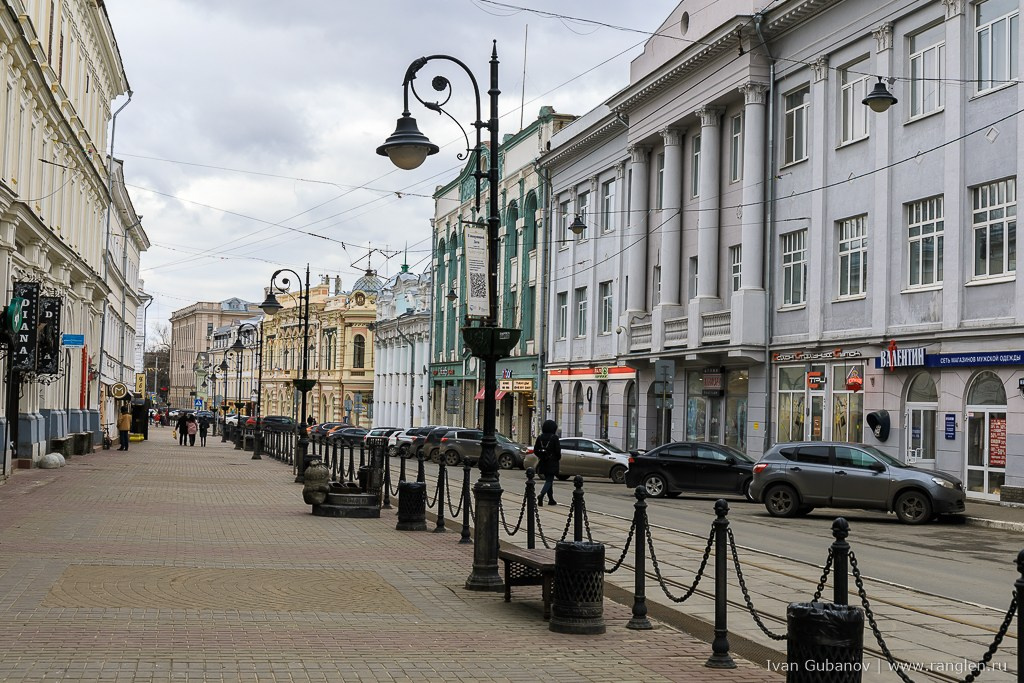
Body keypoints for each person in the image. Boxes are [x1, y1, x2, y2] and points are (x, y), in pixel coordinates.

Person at [533, 419, 561, 506]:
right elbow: (557, 451)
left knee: (549, 480)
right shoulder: (554, 437)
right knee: (549, 480)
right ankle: (541, 495)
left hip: (543, 461)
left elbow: (535, 450)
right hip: (552, 462)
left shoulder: (540, 437)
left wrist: (541, 456)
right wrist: (556, 458)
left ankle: (551, 499)